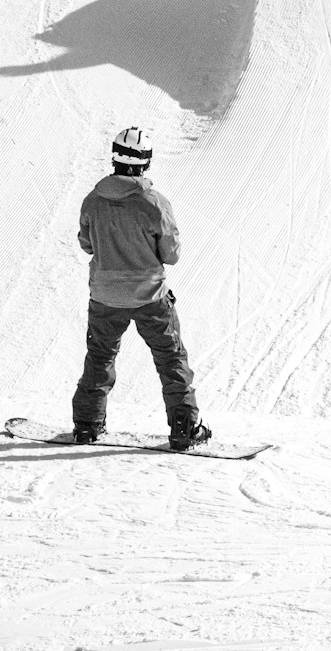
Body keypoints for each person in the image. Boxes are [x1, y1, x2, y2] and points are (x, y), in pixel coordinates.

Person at [71, 127, 211, 452]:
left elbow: (86, 244)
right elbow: (171, 254)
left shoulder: (93, 200)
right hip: (150, 297)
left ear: (115, 157)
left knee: (100, 356)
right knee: (170, 358)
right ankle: (184, 430)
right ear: (145, 163)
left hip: (105, 295)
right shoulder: (153, 203)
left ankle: (86, 426)